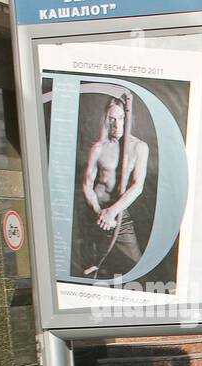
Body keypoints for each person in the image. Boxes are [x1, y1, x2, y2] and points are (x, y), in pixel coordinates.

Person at [80, 95, 149, 279]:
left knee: (137, 268)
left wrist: (111, 212)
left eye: (120, 119)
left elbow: (138, 186)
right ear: (106, 120)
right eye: (112, 119)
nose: (116, 125)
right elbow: (87, 185)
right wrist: (99, 213)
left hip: (119, 215)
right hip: (93, 214)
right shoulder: (98, 148)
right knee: (88, 268)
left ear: (128, 119)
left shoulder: (139, 147)